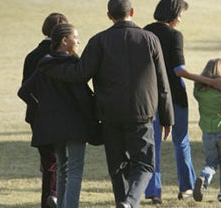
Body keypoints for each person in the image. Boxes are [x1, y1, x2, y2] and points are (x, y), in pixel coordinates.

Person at [35, 1, 174, 207]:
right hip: (141, 112)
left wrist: (49, 64)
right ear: (132, 12)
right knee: (144, 165)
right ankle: (130, 202)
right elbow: (163, 81)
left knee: (117, 166)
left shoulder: (99, 41)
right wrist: (167, 116)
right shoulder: (150, 39)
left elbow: (80, 74)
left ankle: (123, 202)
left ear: (109, 15)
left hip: (109, 114)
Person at [144, 0, 221, 201]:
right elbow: (179, 70)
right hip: (174, 94)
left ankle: (153, 192)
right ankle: (186, 188)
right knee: (181, 142)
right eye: (180, 14)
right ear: (173, 13)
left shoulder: (145, 32)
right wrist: (211, 81)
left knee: (152, 144)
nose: (181, 18)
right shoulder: (175, 35)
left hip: (150, 95)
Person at [18, 23, 96, 208]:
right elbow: (83, 97)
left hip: (52, 127)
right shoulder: (74, 65)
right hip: (75, 126)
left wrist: (42, 108)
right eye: (75, 38)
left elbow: (24, 92)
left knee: (62, 168)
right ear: (64, 41)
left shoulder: (44, 64)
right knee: (75, 170)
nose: (78, 41)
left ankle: (60, 203)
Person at [21, 12, 68, 208]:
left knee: (48, 161)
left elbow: (25, 86)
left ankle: (48, 199)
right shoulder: (63, 56)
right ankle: (55, 198)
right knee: (61, 161)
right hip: (60, 114)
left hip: (37, 114)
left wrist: (37, 105)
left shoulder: (32, 55)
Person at [192, 58, 221, 203]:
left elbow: (196, 93)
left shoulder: (199, 90)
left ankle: (204, 177)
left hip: (207, 132)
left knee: (211, 162)